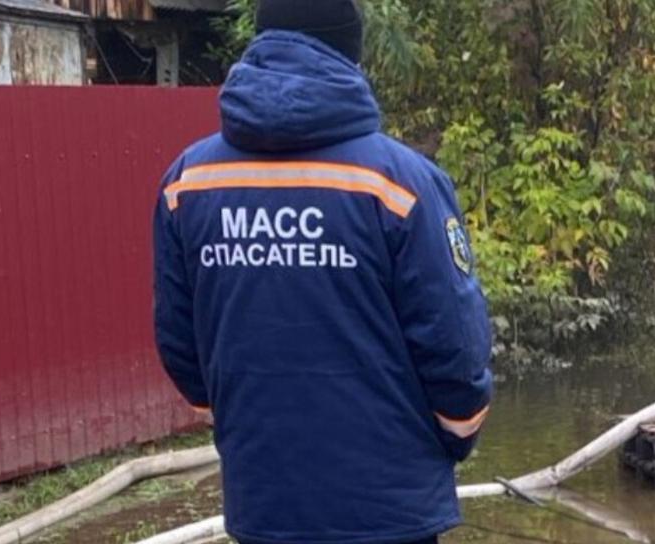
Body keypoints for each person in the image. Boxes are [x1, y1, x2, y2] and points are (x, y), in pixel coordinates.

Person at [151, 1, 493, 542]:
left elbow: (179, 343)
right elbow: (455, 348)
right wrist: (455, 435)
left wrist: (247, 425)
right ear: (352, 58)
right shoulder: (401, 185)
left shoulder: (188, 183)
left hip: (265, 504)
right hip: (391, 511)